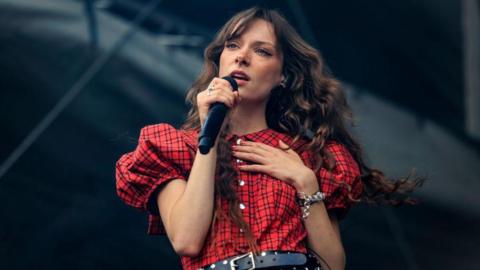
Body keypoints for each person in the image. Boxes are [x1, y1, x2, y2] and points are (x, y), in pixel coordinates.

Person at [115, 7, 423, 270]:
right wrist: (212, 131)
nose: (243, 58)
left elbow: (332, 265)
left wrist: (305, 182)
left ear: (282, 76)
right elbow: (186, 240)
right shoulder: (173, 148)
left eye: (262, 51)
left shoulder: (308, 157)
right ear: (220, 60)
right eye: (233, 46)